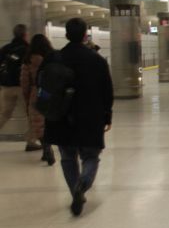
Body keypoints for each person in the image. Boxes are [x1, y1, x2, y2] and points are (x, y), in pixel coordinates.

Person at [43, 18, 114, 216]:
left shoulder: (54, 58)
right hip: (90, 117)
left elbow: (43, 87)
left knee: (67, 157)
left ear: (66, 35)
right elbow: (107, 91)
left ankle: (75, 189)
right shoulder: (96, 60)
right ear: (85, 35)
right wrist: (107, 116)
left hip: (60, 117)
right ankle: (82, 185)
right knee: (90, 156)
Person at [0, 24, 39, 151]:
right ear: (25, 34)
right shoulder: (28, 49)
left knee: (4, 114)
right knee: (31, 114)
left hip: (6, 87)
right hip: (22, 87)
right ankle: (31, 141)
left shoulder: (5, 49)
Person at [20, 34, 55, 165]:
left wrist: (27, 97)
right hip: (51, 92)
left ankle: (47, 149)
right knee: (50, 122)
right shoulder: (51, 57)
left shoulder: (28, 60)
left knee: (38, 124)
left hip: (37, 92)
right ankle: (49, 148)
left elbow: (24, 82)